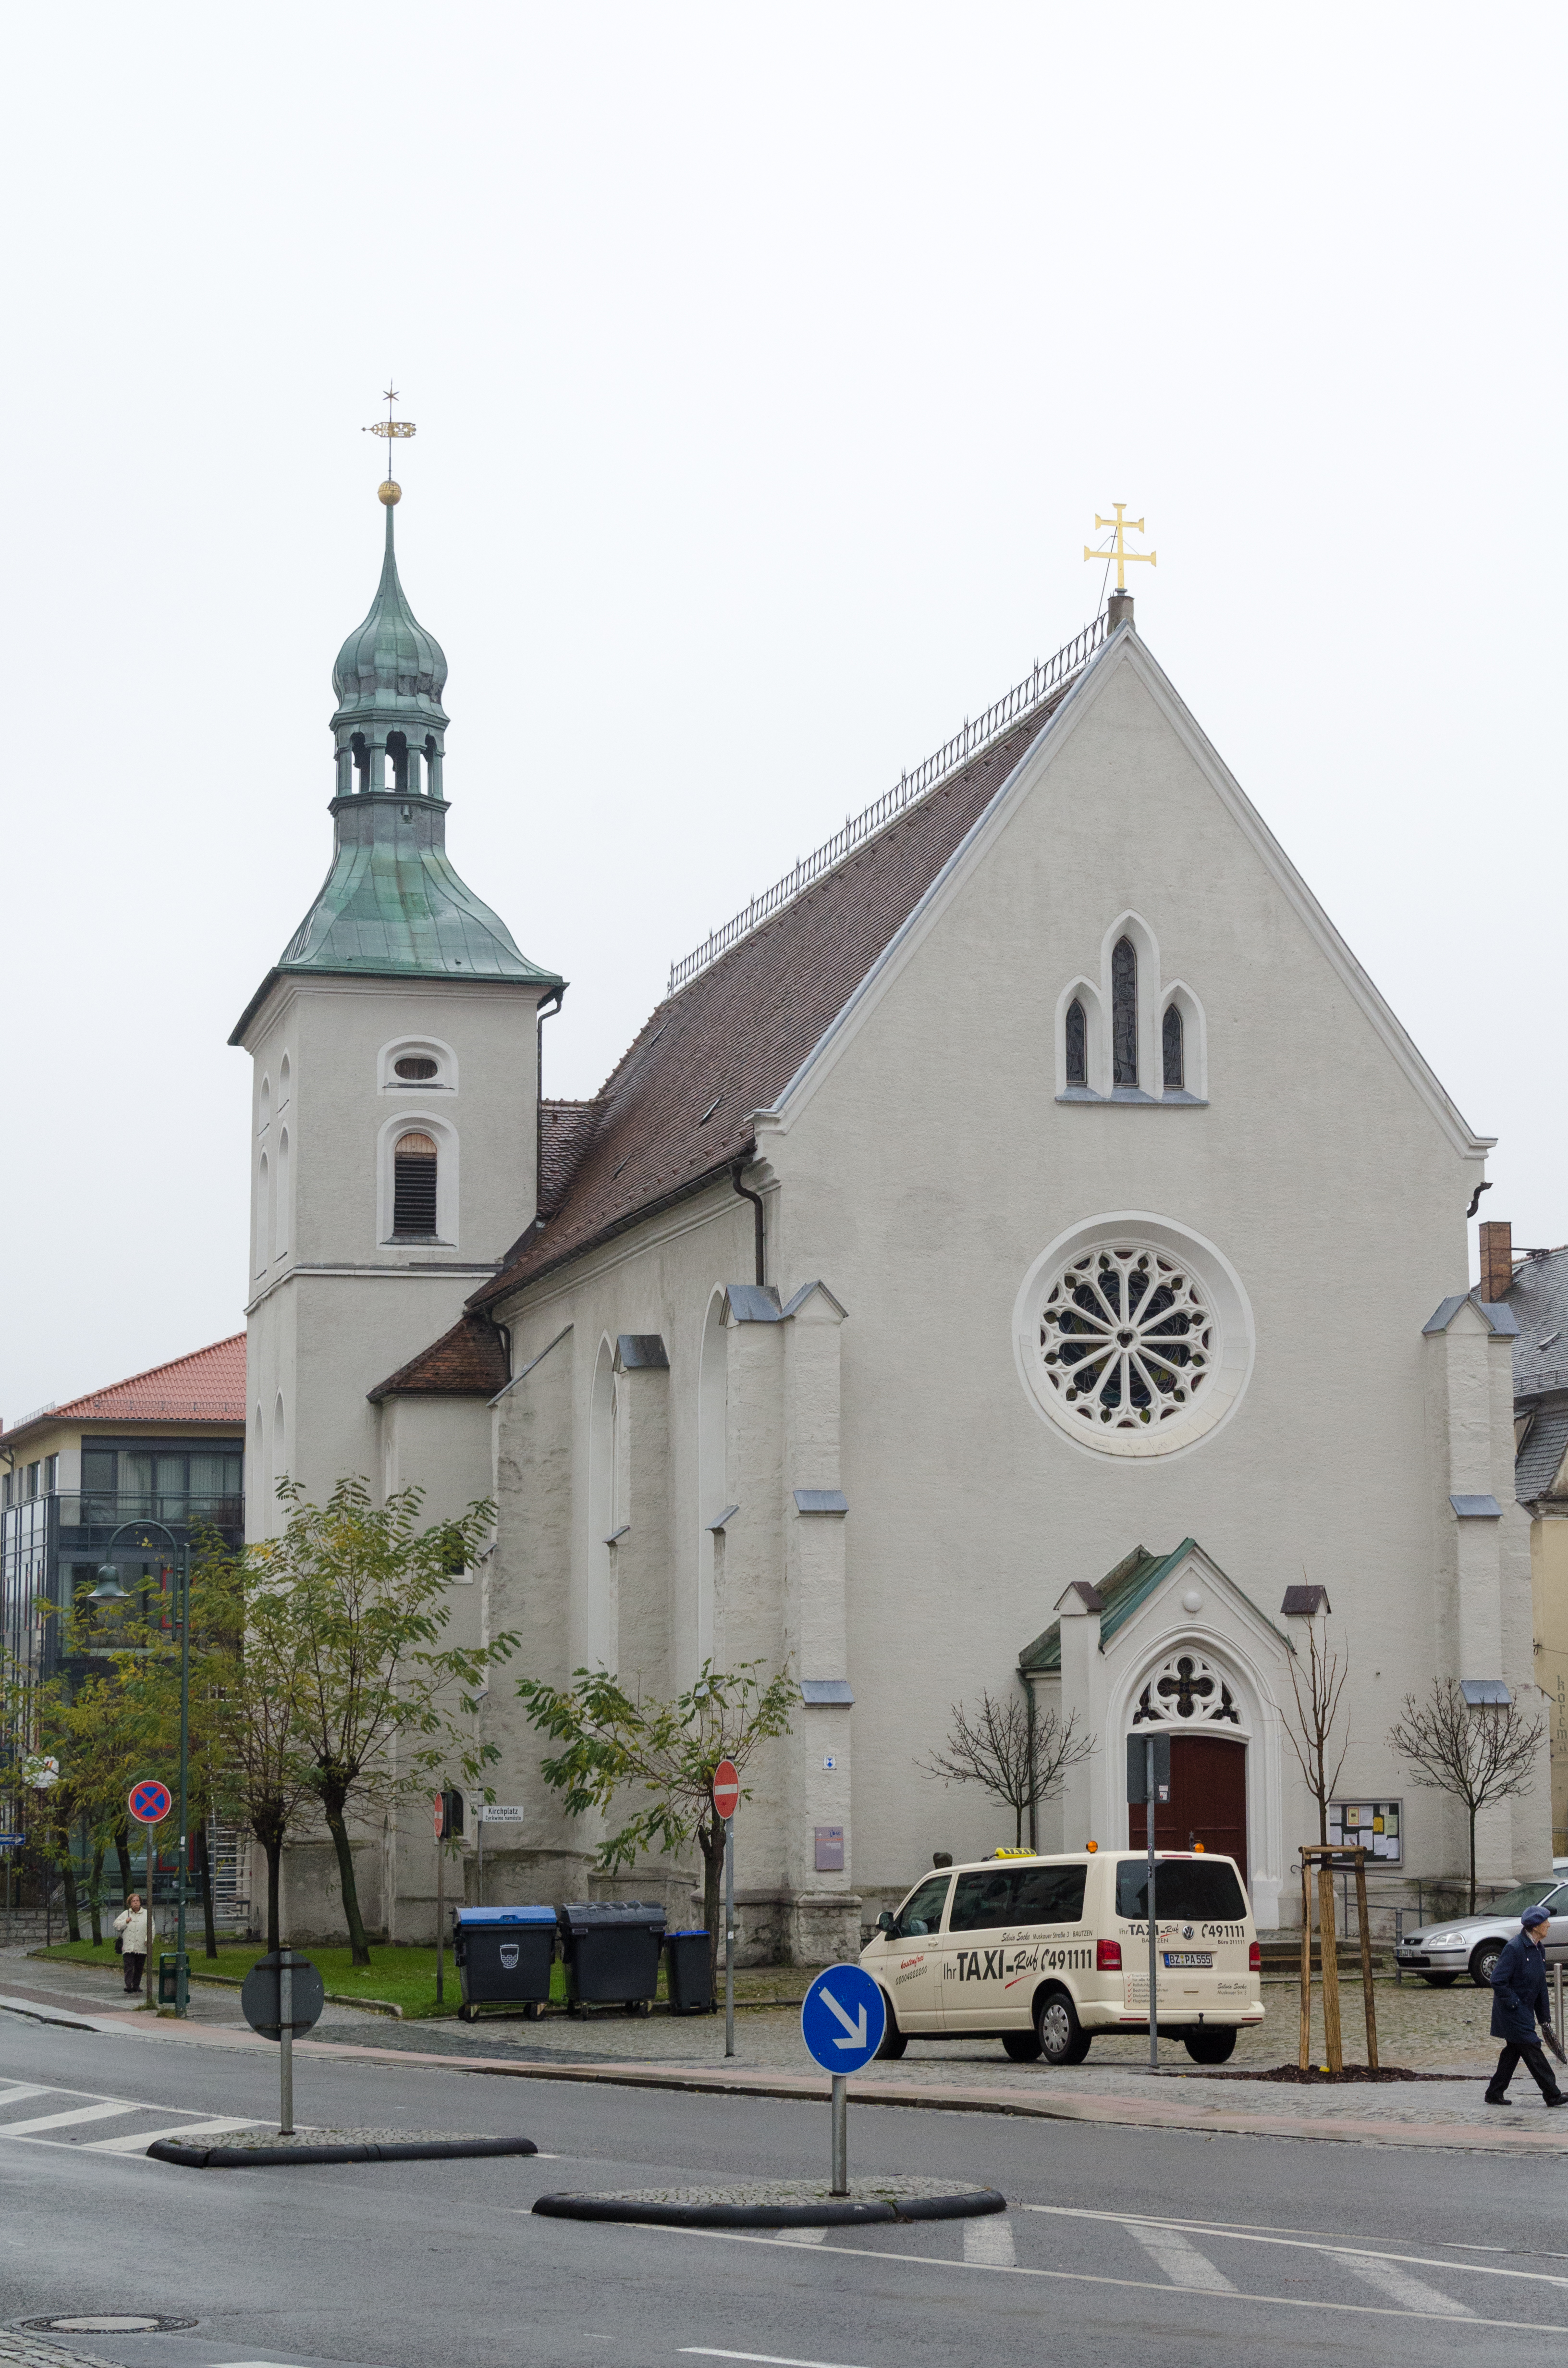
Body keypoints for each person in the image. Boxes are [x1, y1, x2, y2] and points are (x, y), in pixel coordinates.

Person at [1485, 1902, 1565, 2107]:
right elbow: (1498, 1980)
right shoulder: (1515, 1948)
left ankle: (1494, 2092)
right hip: (1513, 2012)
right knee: (1532, 2047)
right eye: (1545, 1921)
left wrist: (1544, 2017)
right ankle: (1552, 2094)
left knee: (1513, 2052)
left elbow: (1540, 1985)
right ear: (1536, 1926)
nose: (1549, 1924)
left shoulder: (1538, 1947)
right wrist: (1514, 2004)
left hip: (1524, 2011)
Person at [114, 1892, 151, 1997]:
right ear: (130, 1903)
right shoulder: (126, 1914)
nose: (136, 1903)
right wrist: (125, 1922)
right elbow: (116, 1925)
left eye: (137, 1901)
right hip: (129, 1946)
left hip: (141, 1945)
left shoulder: (147, 1914)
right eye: (134, 1901)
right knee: (129, 1966)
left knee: (139, 1967)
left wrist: (148, 1939)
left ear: (140, 1902)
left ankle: (136, 1986)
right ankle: (128, 1985)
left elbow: (151, 1928)